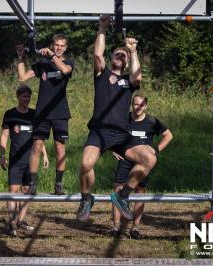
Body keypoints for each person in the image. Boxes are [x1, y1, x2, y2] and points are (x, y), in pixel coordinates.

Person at [76, 14, 157, 222]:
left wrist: (133, 50)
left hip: (121, 134)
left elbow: (137, 76)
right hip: (99, 131)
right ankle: (86, 199)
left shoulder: (128, 81)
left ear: (127, 61)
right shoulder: (101, 74)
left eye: (123, 56)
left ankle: (122, 196)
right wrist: (102, 28)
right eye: (117, 54)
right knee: (85, 164)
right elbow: (97, 55)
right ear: (112, 57)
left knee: (149, 159)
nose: (120, 57)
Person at [16, 33, 74, 195]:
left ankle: (58, 185)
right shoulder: (42, 63)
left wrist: (52, 56)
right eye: (56, 45)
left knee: (59, 148)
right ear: (52, 45)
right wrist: (21, 57)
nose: (59, 48)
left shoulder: (68, 62)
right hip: (42, 112)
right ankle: (33, 184)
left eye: (62, 45)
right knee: (36, 147)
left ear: (66, 48)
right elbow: (22, 78)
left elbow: (64, 70)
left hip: (60, 112)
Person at [111, 94, 173, 239]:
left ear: (146, 106)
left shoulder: (152, 121)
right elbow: (111, 134)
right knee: (117, 191)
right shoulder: (123, 119)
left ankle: (135, 228)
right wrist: (114, 149)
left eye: (141, 105)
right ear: (131, 105)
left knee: (140, 191)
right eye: (135, 104)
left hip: (143, 163)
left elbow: (168, 135)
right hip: (125, 159)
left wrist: (156, 150)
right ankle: (115, 227)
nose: (138, 107)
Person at [0, 85, 49, 237]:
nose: (26, 99)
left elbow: (39, 139)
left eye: (28, 97)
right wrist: (2, 154)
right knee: (13, 191)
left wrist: (44, 154)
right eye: (23, 97)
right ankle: (12, 224)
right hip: (16, 160)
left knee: (27, 191)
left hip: (31, 162)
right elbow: (4, 136)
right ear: (18, 97)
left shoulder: (34, 114)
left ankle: (21, 221)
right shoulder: (10, 114)